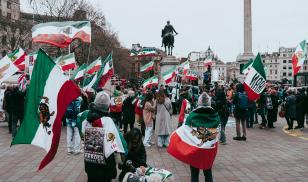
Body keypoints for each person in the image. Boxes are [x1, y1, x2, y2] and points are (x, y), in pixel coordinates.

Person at [84, 91, 124, 182]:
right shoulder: (108, 121)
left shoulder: (86, 117)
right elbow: (114, 141)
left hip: (90, 159)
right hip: (105, 162)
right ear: (107, 105)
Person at [189, 92, 219, 182]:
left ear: (199, 102)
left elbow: (187, 129)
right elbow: (217, 131)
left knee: (194, 173)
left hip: (195, 146)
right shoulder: (215, 115)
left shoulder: (192, 115)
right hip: (209, 147)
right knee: (208, 172)